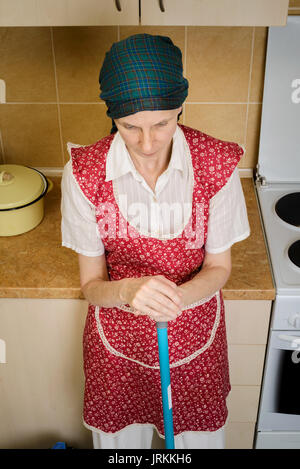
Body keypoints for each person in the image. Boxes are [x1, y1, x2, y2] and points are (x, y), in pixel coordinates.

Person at [61, 33, 250, 449]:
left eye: (162, 123)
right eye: (130, 127)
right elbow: (91, 285)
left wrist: (175, 300)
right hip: (117, 344)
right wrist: (128, 290)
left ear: (180, 106)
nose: (147, 144)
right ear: (113, 116)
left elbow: (219, 268)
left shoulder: (216, 165)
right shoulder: (84, 172)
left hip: (195, 339)